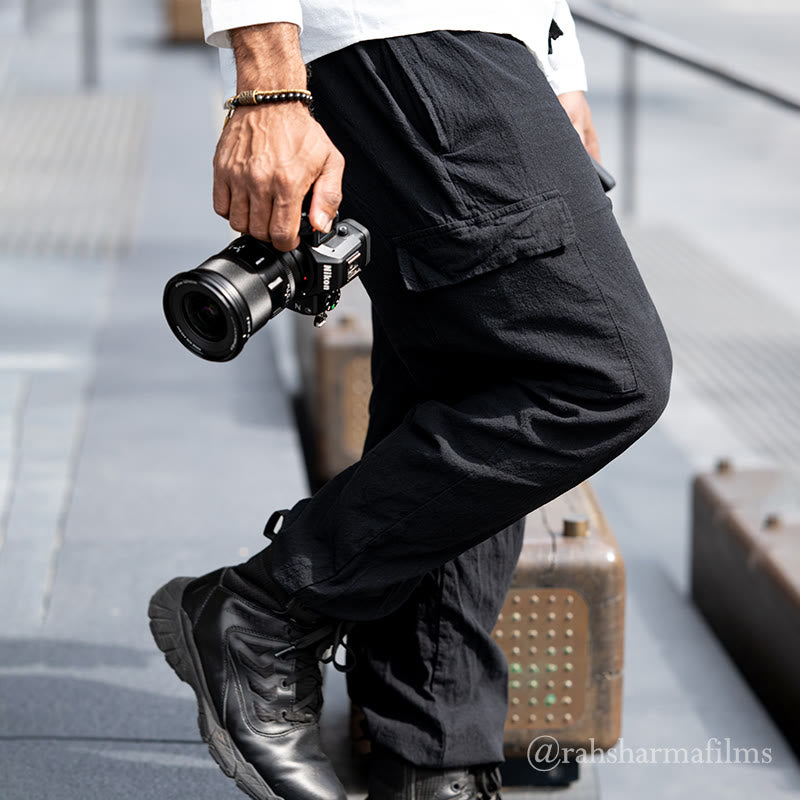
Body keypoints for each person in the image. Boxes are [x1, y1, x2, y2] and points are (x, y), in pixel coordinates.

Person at [148, 2, 672, 799]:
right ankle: (266, 608)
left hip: (473, 36)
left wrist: (554, 62)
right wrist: (265, 84)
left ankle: (431, 759)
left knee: (471, 371)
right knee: (602, 373)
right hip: (399, 34)